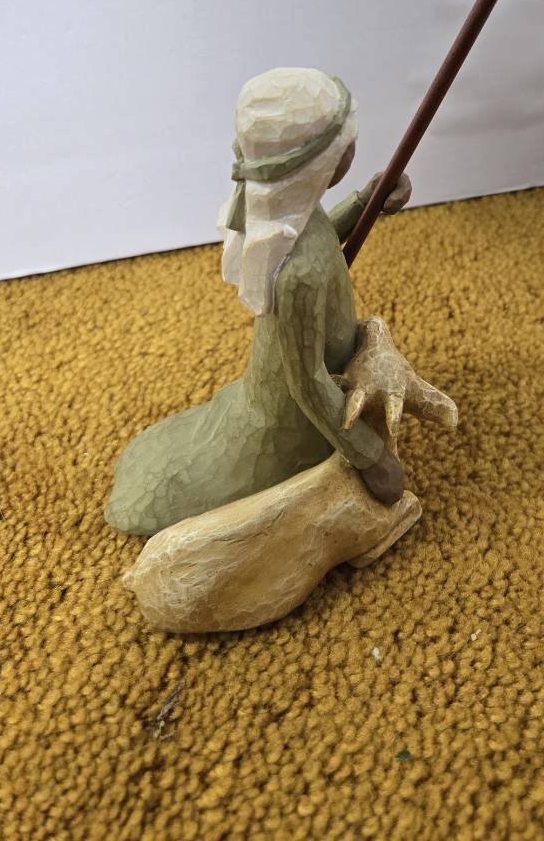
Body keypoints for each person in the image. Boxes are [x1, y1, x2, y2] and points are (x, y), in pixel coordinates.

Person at [105, 68, 411, 536]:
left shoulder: (294, 219)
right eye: (346, 142)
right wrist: (370, 457)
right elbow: (308, 383)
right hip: (298, 424)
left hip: (294, 393)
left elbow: (320, 238)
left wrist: (364, 202)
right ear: (322, 161)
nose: (353, 147)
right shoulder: (298, 273)